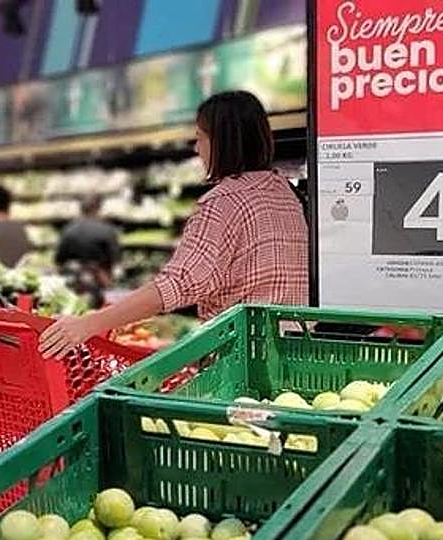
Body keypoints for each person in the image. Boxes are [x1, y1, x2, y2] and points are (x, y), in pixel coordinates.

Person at [40, 90, 308, 359]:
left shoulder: (223, 203)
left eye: (200, 138)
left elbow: (177, 285)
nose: (196, 148)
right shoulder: (287, 194)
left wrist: (88, 324)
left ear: (222, 142)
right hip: (296, 351)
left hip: (243, 361)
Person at [55, 194, 121, 302]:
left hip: (74, 280)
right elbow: (115, 260)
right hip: (99, 279)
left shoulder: (68, 229)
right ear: (98, 208)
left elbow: (59, 260)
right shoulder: (107, 230)